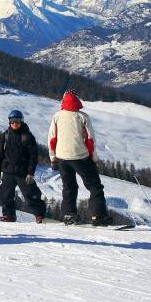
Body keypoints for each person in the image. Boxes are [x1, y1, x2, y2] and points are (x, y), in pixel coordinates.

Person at [47, 90, 109, 225]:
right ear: (76, 100)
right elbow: (90, 140)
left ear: (63, 101)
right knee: (94, 186)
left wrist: (53, 158)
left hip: (62, 157)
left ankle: (69, 215)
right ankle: (98, 216)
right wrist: (93, 157)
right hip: (80, 157)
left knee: (69, 186)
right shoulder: (82, 116)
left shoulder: (57, 116)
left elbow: (52, 139)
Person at [0, 110, 45, 223]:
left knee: (31, 194)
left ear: (21, 121)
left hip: (23, 172)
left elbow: (33, 156)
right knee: (6, 195)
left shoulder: (27, 136)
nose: (14, 124)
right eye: (12, 121)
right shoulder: (5, 135)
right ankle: (9, 215)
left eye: (17, 121)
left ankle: (40, 215)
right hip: (8, 171)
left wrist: (31, 173)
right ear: (9, 122)